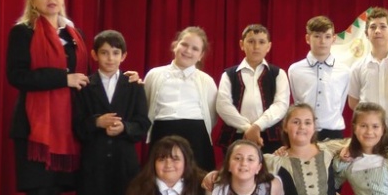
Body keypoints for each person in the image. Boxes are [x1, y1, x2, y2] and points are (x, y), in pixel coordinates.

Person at [6, 0, 89, 195]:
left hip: (67, 128)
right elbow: (17, 76)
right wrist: (63, 78)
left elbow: (86, 78)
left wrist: (125, 80)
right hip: (35, 131)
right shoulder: (23, 32)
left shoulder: (73, 35)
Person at [73, 29, 151, 195]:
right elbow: (76, 125)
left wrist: (124, 127)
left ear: (123, 56)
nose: (110, 58)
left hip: (124, 163)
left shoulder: (134, 85)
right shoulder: (84, 85)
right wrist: (96, 122)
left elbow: (143, 124)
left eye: (115, 53)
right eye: (104, 53)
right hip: (94, 163)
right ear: (94, 55)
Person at [144, 26, 218, 172]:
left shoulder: (206, 81)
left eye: (195, 48)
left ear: (201, 55)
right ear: (175, 45)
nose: (188, 51)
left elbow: (211, 115)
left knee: (196, 178)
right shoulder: (154, 75)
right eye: (184, 44)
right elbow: (146, 104)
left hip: (196, 137)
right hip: (162, 133)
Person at [216, 23, 290, 155]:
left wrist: (257, 126)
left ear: (268, 46)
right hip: (236, 135)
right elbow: (223, 105)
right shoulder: (229, 75)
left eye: (261, 42)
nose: (256, 47)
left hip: (270, 138)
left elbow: (281, 105)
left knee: (269, 168)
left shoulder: (278, 74)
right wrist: (247, 128)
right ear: (241, 44)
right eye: (251, 41)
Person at [288, 15, 351, 141]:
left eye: (327, 37)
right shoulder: (295, 70)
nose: (322, 41)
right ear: (308, 38)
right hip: (304, 131)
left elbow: (340, 103)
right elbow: (298, 101)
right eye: (317, 36)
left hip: (333, 132)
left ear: (333, 39)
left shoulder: (344, 71)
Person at [348, 7, 388, 132]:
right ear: (366, 34)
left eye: (382, 27)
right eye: (372, 27)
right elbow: (353, 102)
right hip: (368, 133)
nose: (377, 31)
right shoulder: (357, 68)